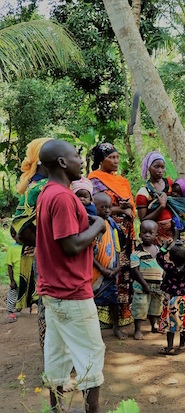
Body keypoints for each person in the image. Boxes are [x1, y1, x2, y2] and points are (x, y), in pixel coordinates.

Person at [36, 139, 106, 413]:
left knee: (58, 354)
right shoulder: (64, 197)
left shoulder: (48, 192)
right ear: (63, 162)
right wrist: (98, 225)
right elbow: (71, 244)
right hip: (71, 291)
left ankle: (56, 410)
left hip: (53, 291)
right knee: (91, 354)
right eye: (77, 156)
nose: (81, 161)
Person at [89, 143, 135, 329]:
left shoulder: (122, 181)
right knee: (105, 267)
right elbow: (94, 206)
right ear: (101, 160)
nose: (116, 161)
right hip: (105, 231)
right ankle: (100, 316)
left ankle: (122, 314)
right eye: (111, 158)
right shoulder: (93, 180)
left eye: (117, 157)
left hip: (126, 232)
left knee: (123, 270)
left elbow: (130, 204)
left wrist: (128, 210)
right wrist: (120, 209)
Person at [12, 137, 51, 347]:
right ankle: (50, 354)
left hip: (38, 253)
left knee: (46, 303)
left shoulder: (38, 183)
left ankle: (50, 354)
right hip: (45, 256)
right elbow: (17, 228)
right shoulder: (41, 186)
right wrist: (47, 243)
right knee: (48, 302)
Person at [92, 192, 125, 339]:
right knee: (92, 303)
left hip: (111, 270)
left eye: (109, 207)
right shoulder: (92, 224)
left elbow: (117, 248)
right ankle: (93, 332)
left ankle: (116, 328)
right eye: (103, 207)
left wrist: (117, 267)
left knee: (113, 301)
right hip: (95, 271)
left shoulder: (112, 225)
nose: (107, 210)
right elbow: (88, 252)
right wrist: (101, 268)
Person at [157, 240, 185, 355]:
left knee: (171, 324)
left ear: (170, 258)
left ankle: (170, 347)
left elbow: (159, 257)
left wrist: (165, 246)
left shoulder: (169, 268)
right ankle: (182, 344)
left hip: (173, 300)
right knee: (184, 324)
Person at [130, 220, 165, 340]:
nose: (147, 235)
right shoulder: (137, 252)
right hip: (142, 286)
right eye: (144, 232)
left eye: (151, 233)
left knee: (155, 307)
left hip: (158, 285)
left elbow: (164, 264)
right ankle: (138, 330)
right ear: (140, 235)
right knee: (140, 306)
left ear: (156, 235)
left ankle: (154, 325)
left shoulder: (159, 250)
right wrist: (144, 284)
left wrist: (164, 275)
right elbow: (135, 270)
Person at [136, 151, 176, 244]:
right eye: (156, 167)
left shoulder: (170, 184)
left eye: (162, 167)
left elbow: (179, 201)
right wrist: (161, 207)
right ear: (149, 168)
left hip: (173, 232)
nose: (160, 170)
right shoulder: (144, 192)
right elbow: (143, 220)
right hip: (155, 236)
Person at [5, 228, 22, 323]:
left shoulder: (28, 247)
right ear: (13, 235)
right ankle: (10, 311)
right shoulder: (12, 249)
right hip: (15, 280)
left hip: (26, 280)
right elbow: (10, 266)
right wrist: (12, 280)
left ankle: (19, 307)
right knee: (12, 296)